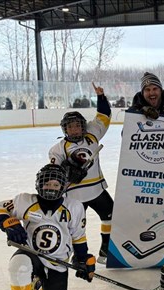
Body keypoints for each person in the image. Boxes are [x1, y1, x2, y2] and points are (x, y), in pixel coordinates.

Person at [0, 164, 95, 290]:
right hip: (30, 252)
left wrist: (82, 258)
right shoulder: (24, 201)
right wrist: (10, 224)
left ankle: (37, 286)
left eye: (56, 185)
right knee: (18, 265)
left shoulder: (74, 207)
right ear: (39, 184)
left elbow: (78, 236)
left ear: (63, 187)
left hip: (58, 260)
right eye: (47, 183)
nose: (51, 187)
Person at [49, 83, 113, 264]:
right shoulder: (58, 149)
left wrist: (101, 97)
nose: (75, 130)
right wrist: (67, 171)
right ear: (65, 130)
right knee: (76, 225)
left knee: (110, 216)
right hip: (75, 195)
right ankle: (76, 254)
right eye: (71, 127)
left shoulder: (93, 134)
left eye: (77, 126)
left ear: (83, 126)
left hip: (97, 190)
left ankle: (106, 249)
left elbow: (104, 116)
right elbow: (54, 175)